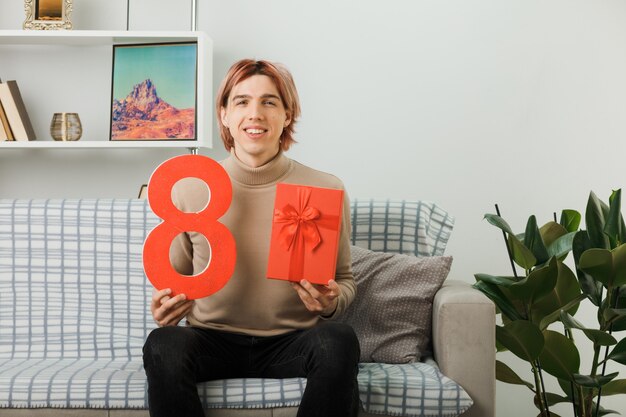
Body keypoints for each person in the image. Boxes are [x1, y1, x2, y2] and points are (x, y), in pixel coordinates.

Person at [142, 59, 360, 417]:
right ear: (224, 115)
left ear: (288, 115)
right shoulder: (192, 188)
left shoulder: (324, 187)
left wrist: (331, 302)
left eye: (269, 102)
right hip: (211, 340)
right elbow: (177, 282)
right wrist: (165, 310)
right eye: (241, 102)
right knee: (163, 343)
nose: (255, 113)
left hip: (293, 342)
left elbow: (346, 280)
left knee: (339, 339)